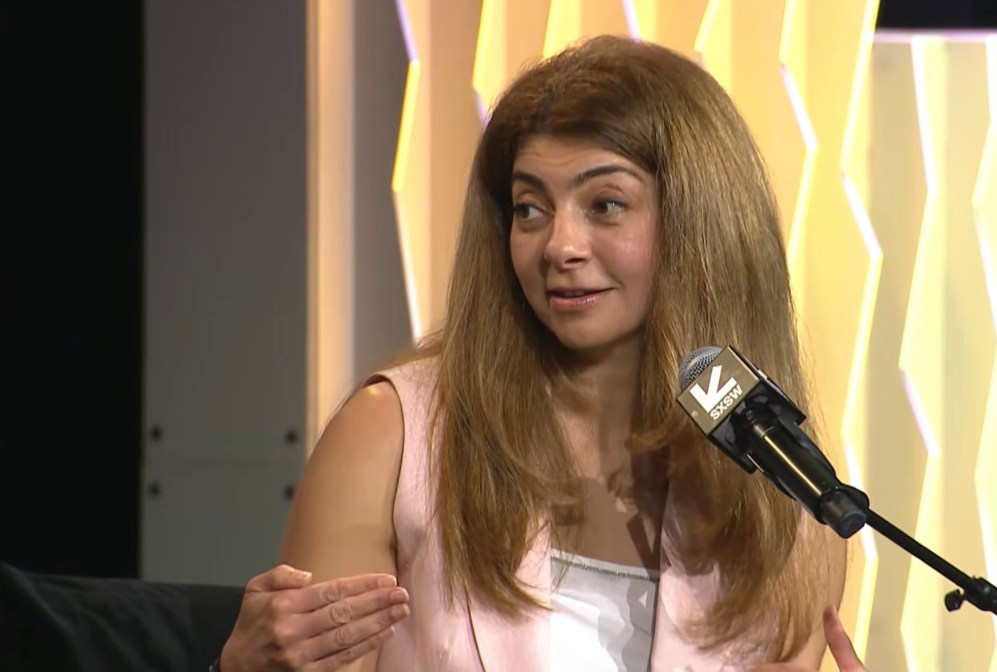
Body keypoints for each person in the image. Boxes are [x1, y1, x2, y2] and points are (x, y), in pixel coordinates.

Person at [218, 35, 866, 672]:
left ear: (700, 226)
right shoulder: (393, 434)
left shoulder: (790, 504)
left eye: (605, 205)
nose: (559, 246)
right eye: (530, 210)